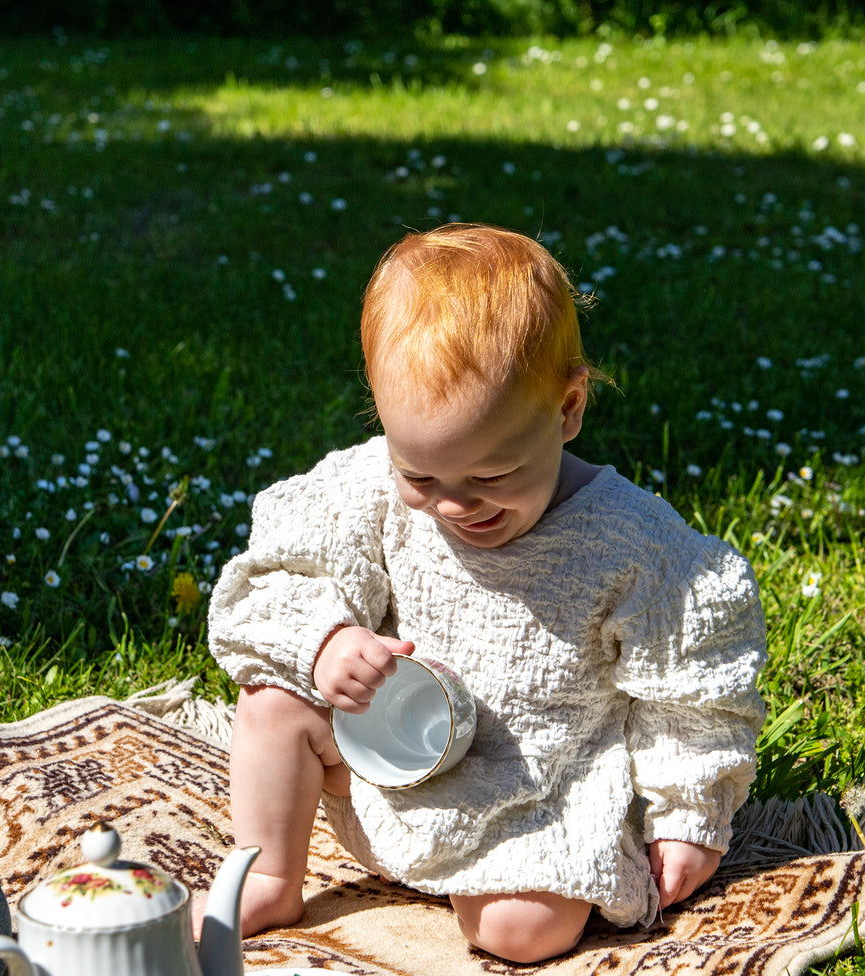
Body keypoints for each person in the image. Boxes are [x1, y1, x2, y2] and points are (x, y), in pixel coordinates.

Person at [207, 223, 767, 964]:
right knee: (271, 703)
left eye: (492, 477)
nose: (453, 504)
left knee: (519, 932)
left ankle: (492, 891)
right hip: (382, 765)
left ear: (567, 410)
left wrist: (687, 814)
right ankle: (272, 872)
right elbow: (273, 577)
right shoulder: (363, 488)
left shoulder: (633, 546)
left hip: (534, 795)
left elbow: (692, 692)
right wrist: (327, 641)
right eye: (421, 475)